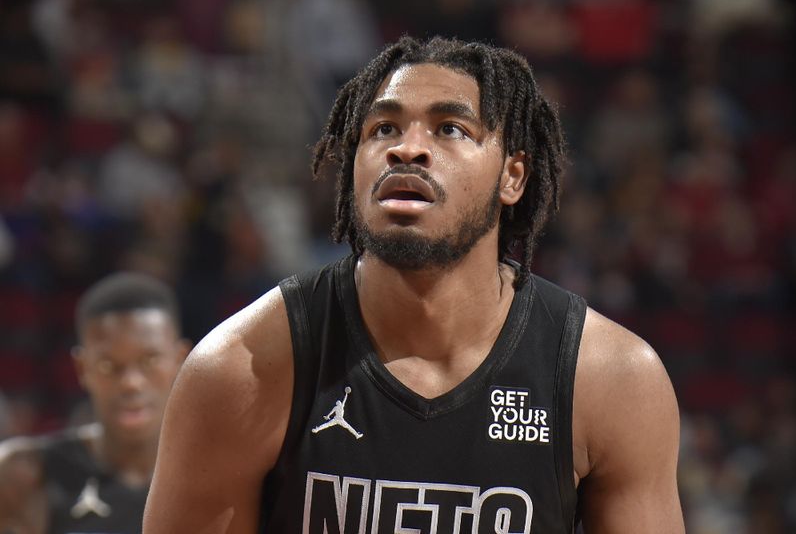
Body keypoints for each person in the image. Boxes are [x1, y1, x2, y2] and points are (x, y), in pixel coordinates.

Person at [144, 36, 684, 532]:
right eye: (383, 129)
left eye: (450, 129)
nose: (407, 149)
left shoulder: (612, 379)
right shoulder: (242, 369)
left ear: (512, 177)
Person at [0, 273, 189, 534]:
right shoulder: (25, 476)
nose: (130, 383)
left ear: (180, 360)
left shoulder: (220, 472)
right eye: (108, 365)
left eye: (149, 360)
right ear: (81, 367)